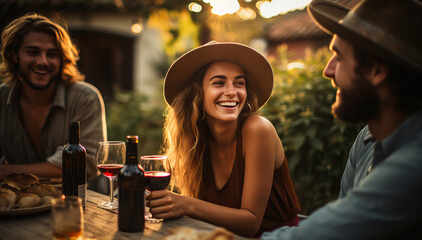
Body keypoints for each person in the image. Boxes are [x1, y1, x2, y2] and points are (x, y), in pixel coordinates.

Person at [262, 0, 422, 239]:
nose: (327, 70)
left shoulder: (413, 167)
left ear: (377, 71)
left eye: (339, 56)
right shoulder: (366, 139)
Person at [146, 41, 301, 237]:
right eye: (219, 82)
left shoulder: (257, 129)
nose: (232, 92)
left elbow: (251, 223)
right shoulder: (197, 141)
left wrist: (183, 203)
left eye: (239, 83)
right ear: (198, 93)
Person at [0, 13, 107, 182]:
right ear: (14, 55)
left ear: (62, 60)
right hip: (21, 204)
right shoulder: (0, 97)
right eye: (33, 52)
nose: (43, 61)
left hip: (81, 201)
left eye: (52, 54)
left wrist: (3, 171)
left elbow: (86, 163)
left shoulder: (85, 97)